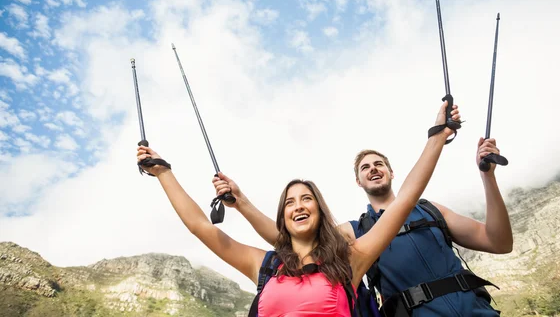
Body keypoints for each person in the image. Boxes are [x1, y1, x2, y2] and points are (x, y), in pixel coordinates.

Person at [137, 102, 460, 316]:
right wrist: (164, 173)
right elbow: (200, 226)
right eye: (289, 202)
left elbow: (404, 201)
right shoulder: (263, 266)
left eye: (306, 198)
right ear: (284, 218)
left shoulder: (351, 261)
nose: (298, 206)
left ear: (320, 212)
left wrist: (437, 137)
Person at [213, 117, 511, 316]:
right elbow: (291, 237)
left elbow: (499, 242)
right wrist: (242, 203)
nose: (373, 168)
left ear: (391, 172)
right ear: (359, 181)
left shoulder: (432, 210)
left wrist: (488, 177)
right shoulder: (353, 233)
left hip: (475, 311)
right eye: (365, 167)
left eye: (378, 163)